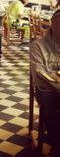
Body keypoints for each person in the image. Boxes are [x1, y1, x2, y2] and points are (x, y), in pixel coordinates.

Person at [30, 9, 60, 157]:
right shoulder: (38, 46)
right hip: (46, 90)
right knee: (51, 104)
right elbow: (39, 74)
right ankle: (56, 144)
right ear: (53, 25)